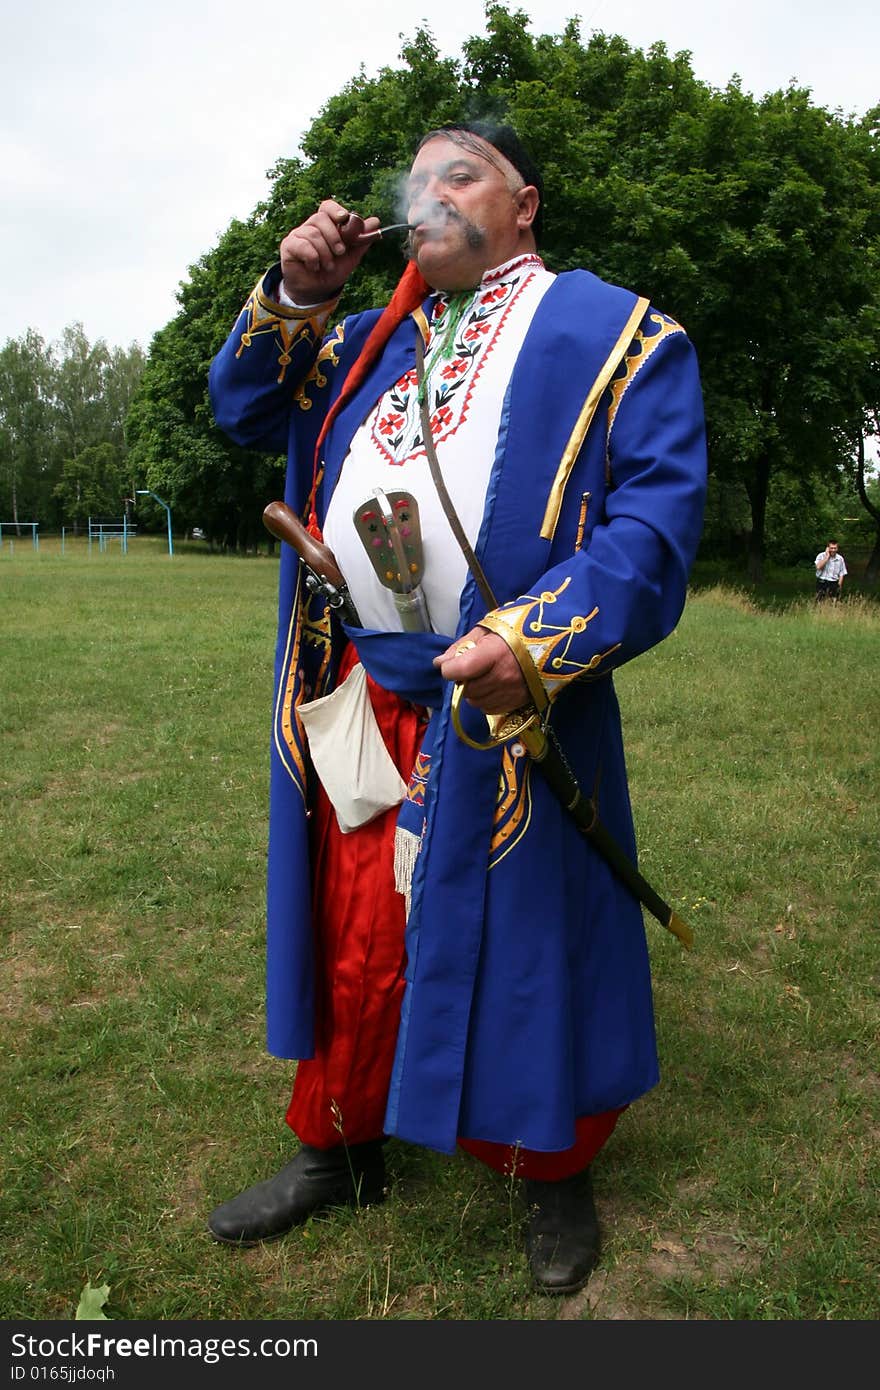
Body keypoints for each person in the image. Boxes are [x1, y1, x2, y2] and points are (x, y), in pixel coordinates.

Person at [206, 121, 707, 1294]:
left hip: (506, 695)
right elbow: (239, 406)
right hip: (365, 687)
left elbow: (653, 525)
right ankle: (338, 1145)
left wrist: (528, 639)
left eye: (459, 174)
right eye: (416, 182)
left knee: (531, 938)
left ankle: (548, 1167)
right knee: (359, 932)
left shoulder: (618, 334)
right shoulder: (373, 342)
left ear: (522, 203)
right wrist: (296, 289)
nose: (427, 196)